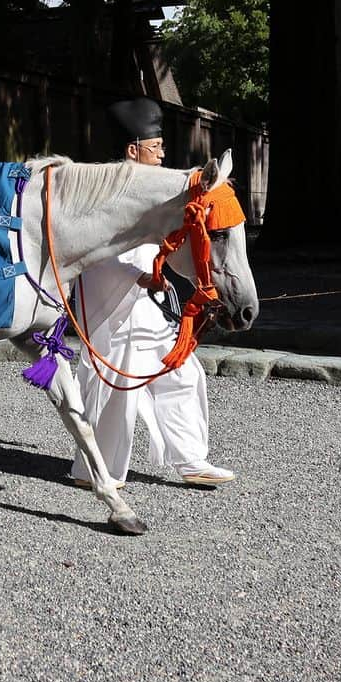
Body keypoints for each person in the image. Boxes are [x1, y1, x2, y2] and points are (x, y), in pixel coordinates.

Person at [70, 97, 236, 489]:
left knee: (182, 373)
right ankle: (98, 469)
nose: (162, 154)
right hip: (116, 301)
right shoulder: (105, 189)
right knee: (119, 389)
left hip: (147, 300)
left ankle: (191, 458)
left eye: (161, 146)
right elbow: (92, 250)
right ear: (133, 150)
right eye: (156, 147)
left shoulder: (154, 186)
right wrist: (138, 276)